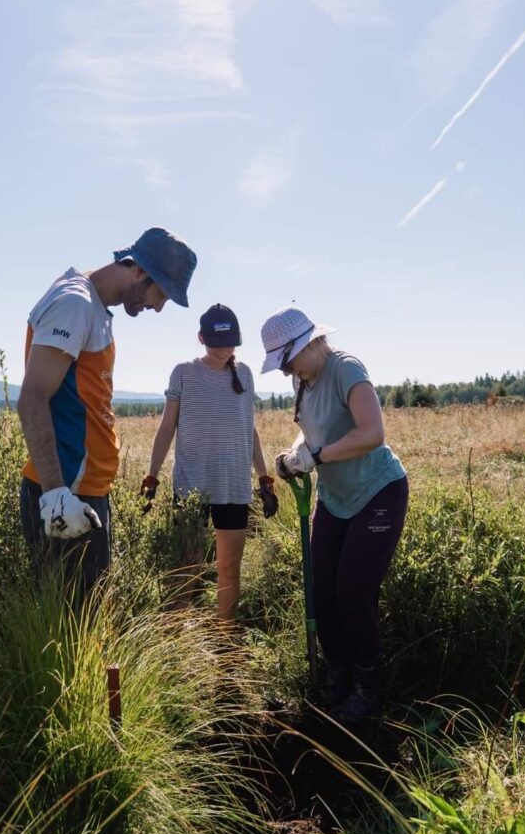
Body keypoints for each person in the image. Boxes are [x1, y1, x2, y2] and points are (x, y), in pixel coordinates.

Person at [18, 227, 198, 597]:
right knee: (74, 621)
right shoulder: (75, 303)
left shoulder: (95, 309)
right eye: (161, 294)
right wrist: (55, 496)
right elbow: (32, 398)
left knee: (91, 616)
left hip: (82, 492)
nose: (158, 307)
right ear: (139, 269)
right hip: (65, 493)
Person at [260, 306, 408, 722]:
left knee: (352, 591)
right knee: (321, 590)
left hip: (377, 492)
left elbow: (372, 433)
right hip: (335, 497)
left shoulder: (346, 369)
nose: (285, 370)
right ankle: (337, 676)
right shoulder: (302, 380)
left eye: (287, 360)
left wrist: (318, 456)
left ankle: (367, 690)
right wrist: (297, 454)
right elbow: (310, 432)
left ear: (308, 344)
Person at [142, 304, 279, 624]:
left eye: (230, 343)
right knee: (187, 566)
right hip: (192, 487)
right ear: (201, 338)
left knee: (229, 567)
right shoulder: (183, 372)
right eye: (216, 343)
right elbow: (167, 427)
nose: (223, 350)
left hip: (233, 487)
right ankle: (175, 638)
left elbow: (250, 429)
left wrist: (264, 478)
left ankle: (225, 636)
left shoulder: (245, 374)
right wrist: (152, 475)